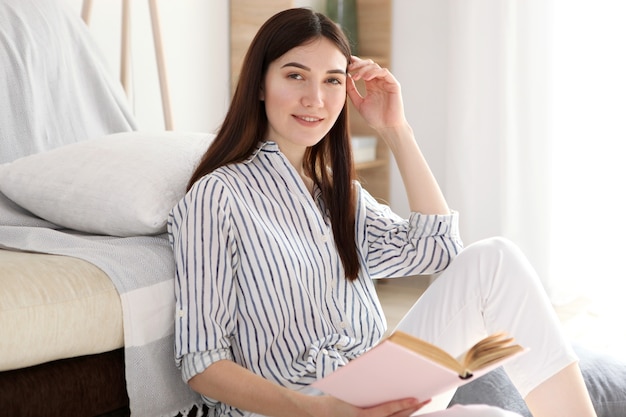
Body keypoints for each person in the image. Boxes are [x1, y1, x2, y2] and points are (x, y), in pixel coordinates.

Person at [167, 7, 598, 417]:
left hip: (376, 389)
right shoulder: (217, 196)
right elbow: (201, 362)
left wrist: (396, 129)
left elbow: (441, 253)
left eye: (333, 81)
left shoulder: (340, 196)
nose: (314, 98)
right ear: (259, 84)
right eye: (295, 75)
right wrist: (322, 410)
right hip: (304, 405)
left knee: (494, 264)